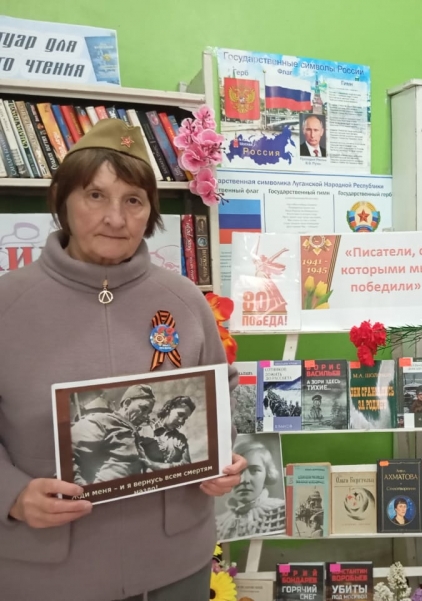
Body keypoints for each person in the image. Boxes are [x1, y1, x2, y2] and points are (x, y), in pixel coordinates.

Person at [0, 118, 245, 601]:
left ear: (150, 211)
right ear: (62, 200)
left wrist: (221, 458)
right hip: (48, 575)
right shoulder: (7, 305)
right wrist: (11, 495)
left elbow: (221, 396)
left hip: (176, 566)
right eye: (96, 195)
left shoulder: (185, 299)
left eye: (133, 200)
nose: (115, 218)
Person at [71, 385, 157, 485]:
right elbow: (65, 453)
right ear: (127, 403)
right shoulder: (102, 421)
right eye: (143, 408)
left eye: (148, 412)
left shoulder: (134, 431)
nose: (146, 416)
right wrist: (83, 487)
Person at [216, 435, 285, 540]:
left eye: (254, 470)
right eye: (236, 471)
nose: (244, 480)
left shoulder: (284, 512)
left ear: (267, 474)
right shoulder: (217, 525)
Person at [138, 395, 197, 470]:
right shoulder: (143, 431)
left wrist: (154, 465)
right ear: (170, 408)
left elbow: (187, 466)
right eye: (180, 414)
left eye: (185, 419)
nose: (181, 421)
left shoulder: (181, 439)